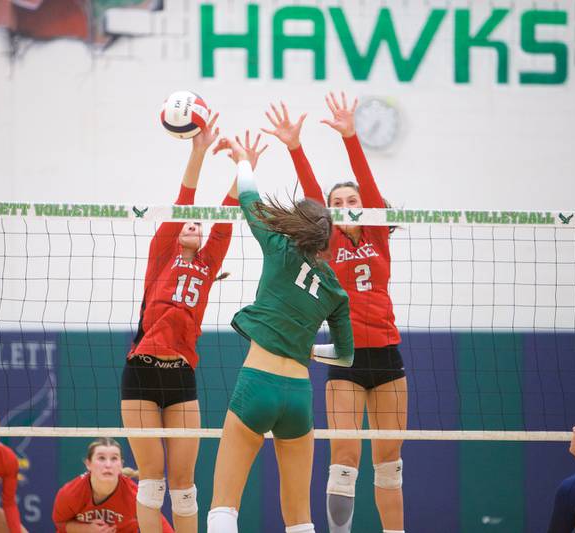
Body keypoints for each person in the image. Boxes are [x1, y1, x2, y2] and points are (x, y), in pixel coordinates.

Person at [262, 92, 407, 533]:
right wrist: (294, 147)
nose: (345, 205)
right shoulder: (326, 243)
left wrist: (351, 138)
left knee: (390, 464)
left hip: (387, 357)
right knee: (344, 460)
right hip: (345, 359)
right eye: (337, 202)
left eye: (351, 199)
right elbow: (310, 196)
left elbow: (370, 187)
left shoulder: (378, 235)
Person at [120, 115, 267, 533]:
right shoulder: (162, 253)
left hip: (181, 376)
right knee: (151, 483)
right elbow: (185, 200)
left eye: (197, 225)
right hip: (142, 375)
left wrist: (245, 168)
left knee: (184, 487)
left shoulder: (208, 262)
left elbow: (225, 214)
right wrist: (198, 151)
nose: (192, 224)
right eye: (187, 221)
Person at [206, 135, 354, 533]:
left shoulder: (278, 246)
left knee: (223, 505)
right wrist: (308, 350)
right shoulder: (336, 292)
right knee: (299, 518)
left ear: (295, 225)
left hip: (258, 383)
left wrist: (242, 160)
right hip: (299, 397)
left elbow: (249, 196)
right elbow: (345, 357)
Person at [52, 437, 174, 533]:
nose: (108, 465)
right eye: (101, 458)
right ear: (88, 464)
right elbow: (59, 524)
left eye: (114, 458)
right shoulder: (70, 493)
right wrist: (87, 530)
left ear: (121, 465)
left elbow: (161, 527)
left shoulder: (134, 496)